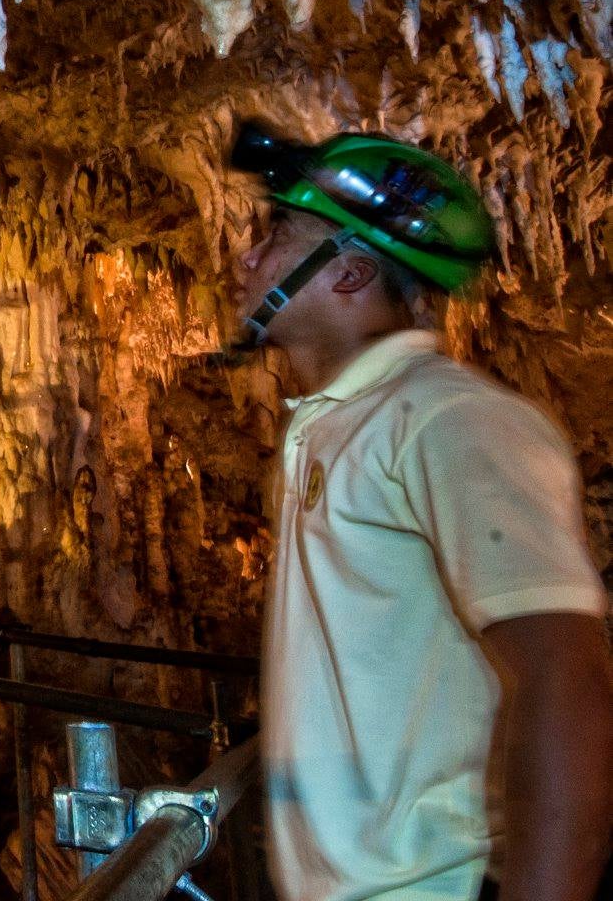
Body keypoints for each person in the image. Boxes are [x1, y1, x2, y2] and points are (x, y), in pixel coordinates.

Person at [227, 121, 613, 901]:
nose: (246, 259)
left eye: (276, 234)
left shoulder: (448, 420)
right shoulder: (334, 424)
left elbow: (566, 680)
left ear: (350, 273)